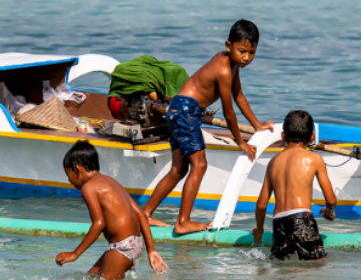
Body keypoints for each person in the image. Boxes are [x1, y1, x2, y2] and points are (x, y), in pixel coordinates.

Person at [142, 19, 274, 235]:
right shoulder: (223, 70)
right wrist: (240, 141)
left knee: (179, 170)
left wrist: (257, 125)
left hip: (178, 109)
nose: (246, 58)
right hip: (186, 110)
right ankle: (183, 221)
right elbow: (228, 109)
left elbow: (238, 95)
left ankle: (146, 214)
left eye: (252, 53)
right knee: (200, 165)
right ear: (228, 45)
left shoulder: (231, 63)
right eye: (242, 51)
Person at [57, 140, 169, 280]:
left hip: (121, 247)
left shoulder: (89, 188)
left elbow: (99, 223)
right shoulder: (112, 181)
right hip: (134, 243)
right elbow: (140, 214)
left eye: (68, 174)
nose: (69, 181)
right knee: (91, 279)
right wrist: (151, 250)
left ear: (77, 169)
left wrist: (75, 253)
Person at [252, 110, 337, 260]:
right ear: (312, 137)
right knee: (318, 269)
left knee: (285, 274)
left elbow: (261, 205)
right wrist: (329, 212)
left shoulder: (273, 162)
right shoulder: (314, 159)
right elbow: (331, 200)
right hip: (302, 219)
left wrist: (259, 230)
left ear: (283, 136)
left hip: (278, 223)